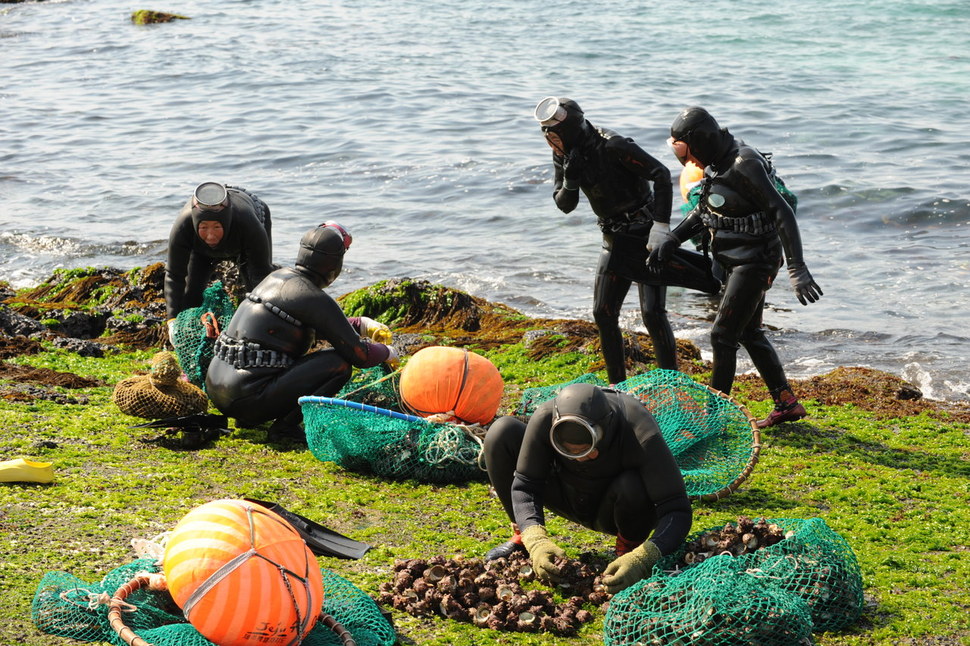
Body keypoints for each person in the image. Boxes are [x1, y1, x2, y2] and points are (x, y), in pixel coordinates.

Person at [648, 107, 823, 428]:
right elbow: (703, 211)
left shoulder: (745, 165)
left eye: (687, 154)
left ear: (699, 142)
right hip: (732, 259)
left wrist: (797, 268)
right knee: (749, 332)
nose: (688, 164)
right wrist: (672, 239)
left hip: (756, 261)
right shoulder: (716, 163)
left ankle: (714, 417)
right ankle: (786, 404)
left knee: (722, 336)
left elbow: (782, 213)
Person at [482, 382, 692, 595]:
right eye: (569, 451)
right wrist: (535, 539)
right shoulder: (546, 417)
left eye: (588, 450)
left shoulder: (639, 429)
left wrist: (643, 558)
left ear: (605, 429)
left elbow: (677, 510)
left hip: (616, 506)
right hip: (568, 492)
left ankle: (628, 549)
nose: (581, 458)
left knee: (632, 484)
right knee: (501, 431)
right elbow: (525, 486)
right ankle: (522, 538)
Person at [205, 222, 398, 441]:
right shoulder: (312, 297)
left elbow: (314, 326)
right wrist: (388, 352)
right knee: (339, 365)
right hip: (247, 399)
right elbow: (359, 355)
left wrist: (360, 324)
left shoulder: (276, 278)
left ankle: (250, 416)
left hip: (218, 390)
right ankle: (284, 429)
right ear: (335, 264)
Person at [533, 97, 678, 384]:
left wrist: (661, 227)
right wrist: (571, 179)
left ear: (571, 128)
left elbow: (661, 174)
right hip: (613, 236)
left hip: (645, 232)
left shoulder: (613, 145)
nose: (550, 140)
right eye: (546, 135)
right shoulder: (563, 154)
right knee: (603, 312)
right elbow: (564, 204)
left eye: (555, 134)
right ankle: (617, 386)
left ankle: (672, 384)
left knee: (652, 313)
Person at [164, 182, 275, 338]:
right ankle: (192, 336)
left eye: (216, 227)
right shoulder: (184, 224)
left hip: (244, 239)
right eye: (204, 228)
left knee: (252, 292)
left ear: (226, 222)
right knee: (191, 295)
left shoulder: (247, 223)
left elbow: (261, 273)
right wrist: (172, 320)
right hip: (201, 251)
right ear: (196, 224)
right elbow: (174, 274)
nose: (210, 235)